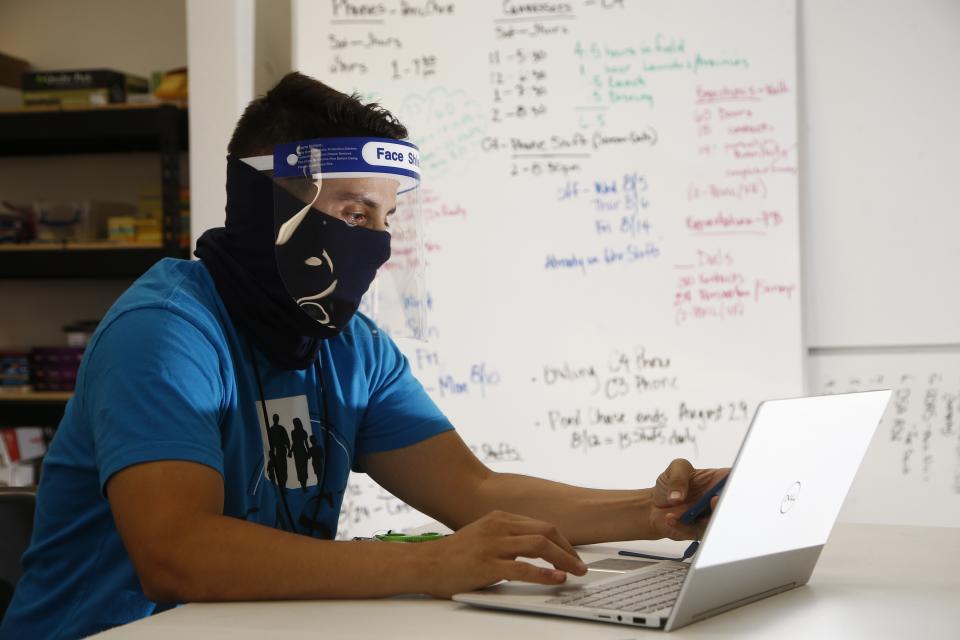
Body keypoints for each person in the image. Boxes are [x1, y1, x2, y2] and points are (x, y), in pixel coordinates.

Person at [0, 72, 725, 639]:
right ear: (267, 206)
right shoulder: (165, 332)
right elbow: (176, 555)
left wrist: (660, 511)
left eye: (386, 218)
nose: (372, 243)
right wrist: (426, 563)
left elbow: (471, 493)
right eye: (351, 214)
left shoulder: (350, 348)